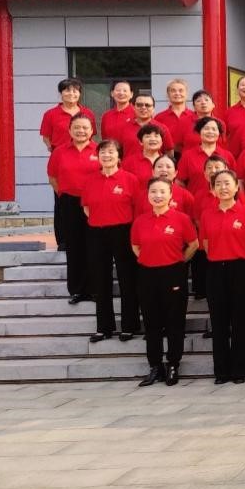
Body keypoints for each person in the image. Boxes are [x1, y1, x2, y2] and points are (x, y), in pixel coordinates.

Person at [131, 177, 199, 387]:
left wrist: (178, 261)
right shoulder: (140, 221)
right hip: (147, 274)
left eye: (162, 191)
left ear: (171, 195)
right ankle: (155, 366)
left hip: (173, 273)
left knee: (174, 322)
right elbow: (136, 247)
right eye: (153, 192)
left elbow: (193, 244)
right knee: (151, 323)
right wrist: (151, 260)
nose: (158, 195)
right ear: (147, 195)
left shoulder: (181, 219)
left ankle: (173, 364)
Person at [198, 169, 245, 383]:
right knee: (219, 322)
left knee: (241, 320)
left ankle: (240, 369)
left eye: (227, 183)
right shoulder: (207, 214)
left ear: (236, 187)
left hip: (240, 268)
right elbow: (205, 243)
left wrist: (242, 260)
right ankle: (221, 370)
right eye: (218, 184)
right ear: (212, 189)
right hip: (215, 269)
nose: (223, 188)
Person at [81, 139, 140, 344]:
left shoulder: (130, 179)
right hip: (97, 232)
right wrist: (100, 221)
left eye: (111, 152)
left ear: (119, 156)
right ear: (98, 156)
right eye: (103, 152)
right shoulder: (90, 180)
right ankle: (104, 327)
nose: (106, 155)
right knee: (100, 280)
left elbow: (136, 208)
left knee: (127, 279)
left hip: (123, 231)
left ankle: (129, 325)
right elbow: (86, 207)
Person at [47, 113, 99, 304]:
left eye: (85, 127)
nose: (81, 131)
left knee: (94, 246)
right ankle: (77, 290)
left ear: (92, 131)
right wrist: (64, 194)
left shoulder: (99, 150)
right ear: (69, 130)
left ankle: (95, 289)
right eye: (77, 127)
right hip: (70, 203)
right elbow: (53, 177)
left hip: (95, 204)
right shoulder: (60, 152)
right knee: (74, 246)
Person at [179, 116, 234, 197]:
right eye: (206, 128)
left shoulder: (227, 155)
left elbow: (233, 180)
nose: (210, 132)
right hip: (196, 201)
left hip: (222, 201)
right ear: (199, 132)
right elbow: (179, 182)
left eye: (214, 129)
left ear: (219, 133)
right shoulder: (188, 155)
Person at [40, 76, 96, 151]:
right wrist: (55, 151)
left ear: (80, 94)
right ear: (61, 93)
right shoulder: (50, 114)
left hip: (84, 153)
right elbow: (46, 137)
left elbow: (91, 135)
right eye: (67, 90)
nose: (71, 94)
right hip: (60, 154)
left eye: (75, 91)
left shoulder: (88, 113)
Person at [153, 79, 195, 159]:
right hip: (165, 159)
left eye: (181, 90)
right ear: (168, 94)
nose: (177, 93)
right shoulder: (159, 118)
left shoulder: (195, 117)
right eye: (173, 91)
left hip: (190, 158)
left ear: (186, 94)